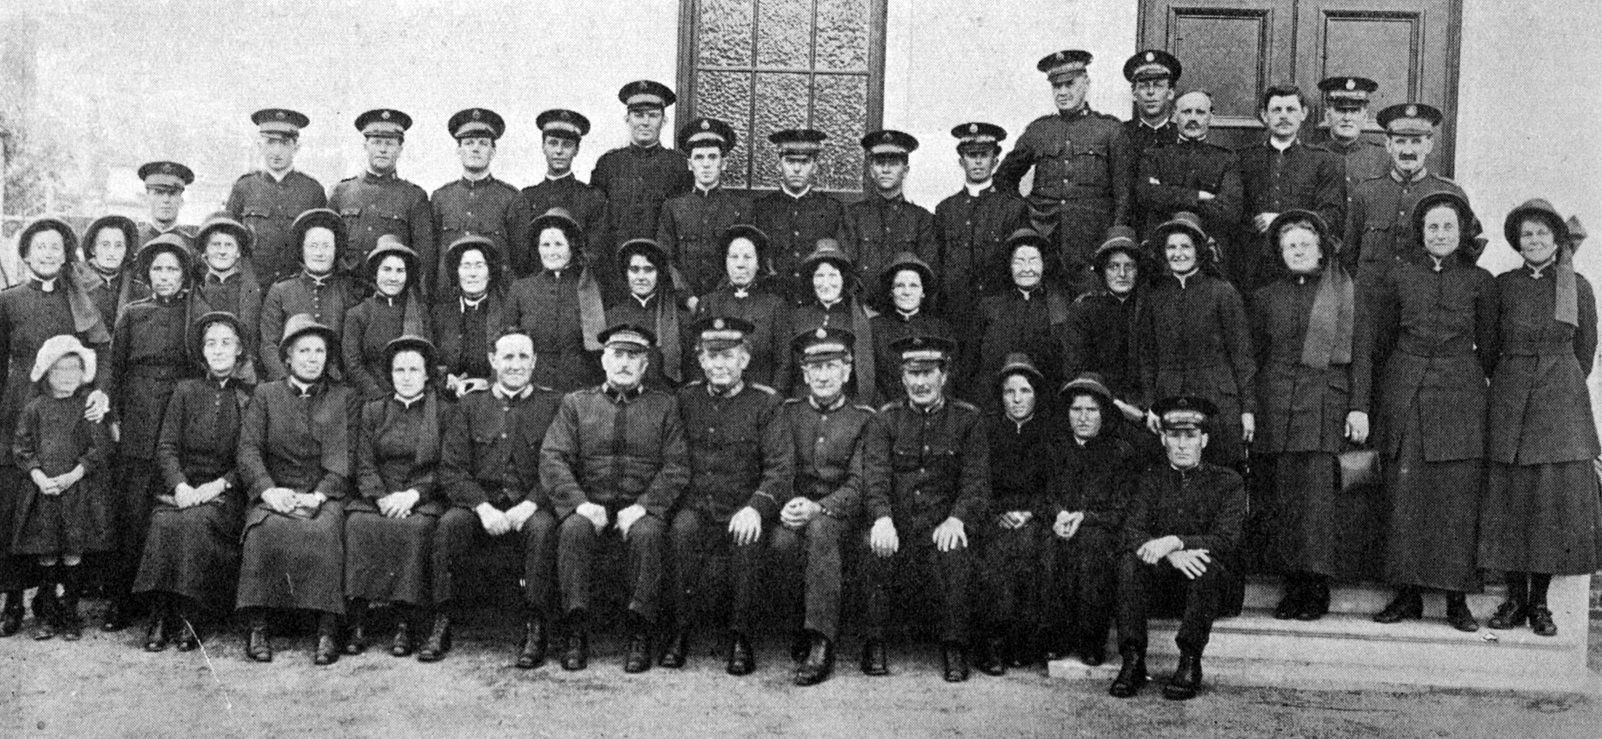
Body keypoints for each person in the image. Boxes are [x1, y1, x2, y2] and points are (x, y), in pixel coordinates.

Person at [1363, 191, 1496, 632]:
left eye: (1449, 227)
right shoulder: (1398, 278)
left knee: (1456, 500)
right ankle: (1408, 595)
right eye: (1433, 227)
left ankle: (1457, 598)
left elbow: (1492, 347)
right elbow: (1379, 345)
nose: (1441, 234)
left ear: (1462, 233)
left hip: (1460, 399)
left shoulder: (1480, 282)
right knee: (1406, 498)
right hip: (1407, 395)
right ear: (1421, 234)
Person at [1480, 200, 1601, 638]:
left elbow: (1585, 350)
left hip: (1559, 402)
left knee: (1548, 504)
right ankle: (1514, 599)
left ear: (1556, 240)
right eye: (1526, 234)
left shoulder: (1578, 287)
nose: (1534, 241)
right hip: (1511, 396)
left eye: (1542, 234)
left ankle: (1540, 603)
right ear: (1518, 242)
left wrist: (1556, 383)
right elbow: (1489, 348)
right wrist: (1516, 381)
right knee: (1513, 500)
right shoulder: (1503, 286)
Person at [540, 324, 689, 673]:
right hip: (590, 503)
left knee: (648, 534)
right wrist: (580, 503)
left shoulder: (664, 406)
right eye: (617, 355)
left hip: (641, 505)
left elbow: (677, 465)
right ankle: (576, 629)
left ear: (645, 365)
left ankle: (640, 631)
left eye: (633, 357)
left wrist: (644, 506)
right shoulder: (576, 404)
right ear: (604, 360)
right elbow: (553, 457)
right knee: (573, 530)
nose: (624, 363)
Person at [1250, 210, 1371, 620]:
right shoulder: (1265, 297)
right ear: (1280, 253)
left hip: (1325, 401)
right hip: (1278, 403)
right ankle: (1291, 584)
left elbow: (1362, 356)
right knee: (1285, 497)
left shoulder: (1344, 291)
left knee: (1318, 499)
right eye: (1290, 246)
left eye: (1305, 243)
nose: (1297, 251)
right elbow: (1256, 357)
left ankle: (1316, 586)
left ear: (1320, 249)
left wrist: (1359, 406)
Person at [662, 316, 791, 674]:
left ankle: (741, 636)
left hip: (742, 505)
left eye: (728, 356)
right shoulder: (686, 398)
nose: (719, 365)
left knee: (747, 537)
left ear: (745, 360)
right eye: (711, 357)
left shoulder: (766, 403)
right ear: (701, 361)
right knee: (682, 530)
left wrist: (755, 508)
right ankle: (680, 631)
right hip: (698, 505)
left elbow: (780, 469)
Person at [0, 218, 111, 636]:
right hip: (16, 409)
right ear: (26, 253)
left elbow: (102, 349)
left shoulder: (78, 300)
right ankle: (13, 601)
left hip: (66, 412)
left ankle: (57, 602)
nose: (48, 254)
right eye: (40, 247)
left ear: (67, 255)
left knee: (60, 510)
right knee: (14, 505)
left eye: (55, 248)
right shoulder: (8, 301)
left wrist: (100, 392)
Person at [430, 331, 564, 666]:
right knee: (450, 524)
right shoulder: (470, 405)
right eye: (507, 357)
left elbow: (560, 465)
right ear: (492, 361)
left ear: (534, 362)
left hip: (531, 502)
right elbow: (452, 469)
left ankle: (535, 625)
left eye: (523, 357)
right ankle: (442, 621)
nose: (516, 365)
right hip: (483, 503)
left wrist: (531, 503)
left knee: (543, 529)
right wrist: (482, 507)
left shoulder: (554, 405)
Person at [860, 335, 989, 682]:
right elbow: (875, 476)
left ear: (944, 376)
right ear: (902, 378)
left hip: (941, 524)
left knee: (955, 550)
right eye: (912, 374)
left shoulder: (968, 420)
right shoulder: (885, 420)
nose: (920, 382)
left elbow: (975, 481)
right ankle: (875, 642)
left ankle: (954, 646)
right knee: (873, 545)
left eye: (928, 373)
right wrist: (882, 518)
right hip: (898, 523)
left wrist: (957, 519)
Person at [235, 314, 361, 665]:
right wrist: (268, 491)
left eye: (319, 350)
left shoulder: (344, 397)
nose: (312, 357)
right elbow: (248, 449)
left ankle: (327, 628)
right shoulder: (266, 394)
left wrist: (319, 494)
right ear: (287, 357)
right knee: (263, 531)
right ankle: (258, 625)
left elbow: (347, 454)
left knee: (324, 532)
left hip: (325, 492)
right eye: (303, 350)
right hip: (277, 489)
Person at [1109, 395, 1247, 701]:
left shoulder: (1228, 483)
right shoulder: (1150, 480)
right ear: (1163, 439)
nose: (1182, 444)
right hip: (1164, 586)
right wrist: (1171, 554)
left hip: (1208, 591)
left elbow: (1227, 541)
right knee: (1130, 562)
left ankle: (1189, 660)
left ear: (1205, 439)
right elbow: (1131, 531)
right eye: (1174, 436)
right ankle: (1132, 660)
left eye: (1191, 436)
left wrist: (1176, 540)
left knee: (1206, 565)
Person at [103, 236, 205, 631]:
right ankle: (122, 600)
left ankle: (171, 601)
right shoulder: (132, 313)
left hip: (179, 414)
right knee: (132, 511)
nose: (164, 277)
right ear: (148, 273)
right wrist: (114, 414)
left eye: (172, 269)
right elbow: (115, 367)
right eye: (158, 269)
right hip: (140, 416)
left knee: (174, 508)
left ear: (184, 275)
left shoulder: (195, 314)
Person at [132, 312, 251, 652]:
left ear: (239, 350)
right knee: (163, 520)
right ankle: (159, 613)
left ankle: (189, 613)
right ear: (201, 351)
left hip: (226, 493)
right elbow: (167, 447)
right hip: (184, 490)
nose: (218, 350)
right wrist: (181, 486)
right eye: (210, 343)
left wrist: (219, 486)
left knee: (198, 522)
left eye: (226, 343)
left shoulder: (251, 396)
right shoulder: (185, 391)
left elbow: (250, 456)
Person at [773, 327, 875, 686]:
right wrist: (788, 505)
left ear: (847, 371)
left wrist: (820, 508)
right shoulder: (787, 413)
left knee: (820, 531)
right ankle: (798, 627)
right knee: (781, 543)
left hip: (840, 513)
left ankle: (822, 642)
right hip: (795, 508)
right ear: (804, 374)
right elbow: (779, 467)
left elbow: (860, 483)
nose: (823, 375)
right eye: (814, 367)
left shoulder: (864, 418)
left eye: (831, 366)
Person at [343, 336, 449, 659]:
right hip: (379, 496)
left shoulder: (443, 412)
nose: (406, 376)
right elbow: (363, 461)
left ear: (427, 374)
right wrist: (381, 497)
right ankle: (358, 619)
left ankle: (405, 621)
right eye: (399, 369)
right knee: (358, 524)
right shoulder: (374, 410)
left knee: (415, 529)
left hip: (423, 495)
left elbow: (448, 465)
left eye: (414, 370)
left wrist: (414, 495)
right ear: (389, 374)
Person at [995, 50, 1132, 297]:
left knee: (1091, 308)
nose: (1062, 92)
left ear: (1086, 84)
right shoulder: (1039, 130)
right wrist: (1025, 213)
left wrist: (1114, 240)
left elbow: (1124, 193)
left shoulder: (1110, 130)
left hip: (1093, 240)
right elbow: (1004, 177)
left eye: (1070, 84)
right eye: (1056, 86)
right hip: (1046, 239)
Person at [11, 335, 114, 641]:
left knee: (72, 552)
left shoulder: (87, 407)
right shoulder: (35, 408)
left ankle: (70, 613)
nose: (68, 376)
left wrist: (75, 474)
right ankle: (47, 614)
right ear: (46, 373)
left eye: (74, 369)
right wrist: (39, 476)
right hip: (44, 494)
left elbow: (99, 448)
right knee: (46, 553)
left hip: (76, 493)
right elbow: (22, 446)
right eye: (60, 370)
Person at [1136, 212, 1256, 467]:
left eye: (1185, 246)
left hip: (1218, 399)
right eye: (1171, 247)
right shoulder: (1154, 296)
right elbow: (1147, 356)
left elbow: (1242, 356)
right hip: (1170, 397)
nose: (1178, 253)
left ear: (1198, 250)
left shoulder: (1222, 292)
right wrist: (1150, 406)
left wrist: (1247, 410)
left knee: (1220, 471)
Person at [975, 353, 1058, 675]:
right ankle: (994, 642)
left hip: (1037, 515)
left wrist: (1033, 512)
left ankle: (1027, 640)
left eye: (1024, 391)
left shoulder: (1050, 431)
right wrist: (998, 512)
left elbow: (1055, 483)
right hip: (995, 514)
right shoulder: (987, 430)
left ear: (1036, 393)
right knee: (995, 557)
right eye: (1010, 392)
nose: (1017, 399)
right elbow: (978, 480)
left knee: (1039, 553)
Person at [1045, 373, 1136, 666]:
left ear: (1104, 414)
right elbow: (1046, 493)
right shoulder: (1055, 450)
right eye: (1076, 409)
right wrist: (1058, 513)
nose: (1083, 417)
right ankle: (1056, 638)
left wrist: (1084, 517)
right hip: (1061, 523)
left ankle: (1091, 640)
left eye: (1091, 410)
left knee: (1091, 551)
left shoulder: (1120, 453)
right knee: (1048, 548)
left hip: (1101, 529)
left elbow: (1120, 510)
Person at [1235, 85, 1345, 294]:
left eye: (1291, 109)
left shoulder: (1323, 161)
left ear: (1303, 114)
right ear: (1264, 115)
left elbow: (1332, 214)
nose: (1284, 116)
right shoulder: (1243, 159)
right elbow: (1234, 211)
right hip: (1253, 268)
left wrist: (1280, 220)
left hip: (1304, 265)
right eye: (1276, 110)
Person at [1342, 103, 1468, 277]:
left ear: (1429, 145)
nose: (1407, 150)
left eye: (1416, 142)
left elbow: (1465, 256)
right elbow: (1349, 255)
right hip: (1375, 298)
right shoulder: (1365, 192)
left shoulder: (1450, 193)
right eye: (1400, 141)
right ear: (1388, 145)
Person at [932, 122, 1028, 341]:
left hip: (998, 315)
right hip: (954, 315)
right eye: (970, 155)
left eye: (984, 155)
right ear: (960, 161)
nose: (977, 161)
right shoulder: (946, 209)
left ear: (995, 161)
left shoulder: (1012, 208)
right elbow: (937, 263)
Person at [1135, 90, 1241, 277]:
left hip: (1209, 255)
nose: (1193, 118)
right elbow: (1147, 195)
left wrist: (1168, 196)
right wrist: (1198, 196)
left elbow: (1230, 210)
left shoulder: (1226, 159)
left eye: (1200, 112)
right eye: (1186, 112)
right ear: (1174, 116)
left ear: (1211, 117)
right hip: (1162, 256)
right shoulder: (1155, 155)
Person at [328, 109, 436, 291]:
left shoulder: (413, 196)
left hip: (391, 296)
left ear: (400, 149)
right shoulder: (341, 192)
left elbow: (424, 259)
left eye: (390, 143)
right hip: (345, 294)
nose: (383, 149)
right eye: (376, 142)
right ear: (365, 145)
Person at [1064, 228, 1151, 452]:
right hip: (1101, 410)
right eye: (1113, 266)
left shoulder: (1152, 309)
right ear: (1102, 271)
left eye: (1129, 266)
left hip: (1148, 415)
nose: (1121, 274)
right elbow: (1078, 371)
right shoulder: (1085, 310)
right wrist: (1117, 405)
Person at [507, 208, 607, 392]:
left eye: (558, 244)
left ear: (571, 246)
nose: (551, 252)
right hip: (533, 390)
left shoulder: (590, 288)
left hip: (583, 389)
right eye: (545, 245)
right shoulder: (521, 290)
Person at [225, 108, 329, 285]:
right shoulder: (244, 187)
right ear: (260, 146)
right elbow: (228, 238)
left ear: (296, 147)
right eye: (270, 142)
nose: (277, 151)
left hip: (297, 288)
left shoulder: (312, 190)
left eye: (284, 143)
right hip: (253, 287)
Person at [431, 108, 531, 291]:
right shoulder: (441, 198)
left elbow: (521, 261)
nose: (475, 148)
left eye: (483, 143)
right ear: (458, 150)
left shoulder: (511, 198)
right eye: (468, 143)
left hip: (497, 300)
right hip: (449, 300)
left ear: (493, 152)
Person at [969, 229, 1069, 410]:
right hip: (994, 405)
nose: (1027, 269)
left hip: (1046, 406)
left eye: (1033, 261)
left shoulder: (1059, 307)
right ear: (1009, 266)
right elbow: (973, 364)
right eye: (1019, 262)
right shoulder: (989, 307)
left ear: (1044, 264)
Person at [592, 81, 693, 259]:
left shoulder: (678, 165)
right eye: (638, 115)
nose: (645, 122)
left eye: (653, 116)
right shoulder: (608, 164)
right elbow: (597, 222)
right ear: (627, 119)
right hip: (616, 263)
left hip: (660, 262)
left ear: (664, 120)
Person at [655, 117, 751, 302]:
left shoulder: (740, 208)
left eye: (712, 157)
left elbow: (744, 259)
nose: (706, 164)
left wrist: (716, 299)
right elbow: (665, 259)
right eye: (699, 157)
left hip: (726, 302)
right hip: (682, 305)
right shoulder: (673, 207)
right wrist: (687, 297)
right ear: (690, 164)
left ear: (723, 163)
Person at [259, 209, 360, 381]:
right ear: (302, 249)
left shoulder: (349, 291)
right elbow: (269, 345)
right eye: (313, 246)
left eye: (326, 246)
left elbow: (353, 348)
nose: (319, 253)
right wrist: (287, 382)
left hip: (336, 385)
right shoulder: (281, 290)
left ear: (336, 250)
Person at [842, 130, 938, 311]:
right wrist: (861, 309)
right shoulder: (853, 216)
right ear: (871, 170)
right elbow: (846, 271)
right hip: (863, 314)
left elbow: (928, 275)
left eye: (893, 163)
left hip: (906, 318)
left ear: (905, 171)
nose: (885, 170)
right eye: (879, 163)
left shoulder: (922, 219)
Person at [693, 225, 790, 389]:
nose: (740, 264)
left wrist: (774, 400)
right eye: (734, 257)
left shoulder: (774, 305)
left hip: (760, 399)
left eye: (747, 257)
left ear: (758, 263)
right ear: (725, 261)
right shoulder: (709, 303)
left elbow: (784, 362)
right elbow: (697, 358)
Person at [519, 109, 610, 284]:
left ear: (576, 150)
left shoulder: (592, 198)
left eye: (567, 145)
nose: (559, 151)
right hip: (536, 290)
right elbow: (523, 255)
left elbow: (595, 253)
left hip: (577, 289)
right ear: (543, 147)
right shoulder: (527, 197)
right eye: (553, 143)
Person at [754, 129, 846, 300]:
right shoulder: (762, 208)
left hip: (815, 302)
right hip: (773, 301)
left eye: (804, 162)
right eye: (790, 161)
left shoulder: (832, 209)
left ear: (815, 167)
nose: (797, 168)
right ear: (778, 164)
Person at [785, 240, 877, 405]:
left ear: (843, 280)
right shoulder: (797, 318)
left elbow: (864, 375)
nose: (826, 284)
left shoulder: (857, 318)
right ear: (812, 281)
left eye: (833, 275)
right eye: (819, 276)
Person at [342, 236, 429, 401]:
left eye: (400, 271)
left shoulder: (418, 312)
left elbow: (428, 358)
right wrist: (380, 397)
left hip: (415, 398)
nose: (393, 278)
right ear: (375, 272)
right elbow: (353, 364)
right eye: (386, 270)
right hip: (372, 401)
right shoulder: (358, 314)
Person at [605, 238, 693, 389]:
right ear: (626, 273)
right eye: (634, 269)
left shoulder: (679, 319)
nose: (641, 277)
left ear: (659, 273)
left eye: (649, 269)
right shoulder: (611, 318)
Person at [431, 236, 509, 399]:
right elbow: (430, 361)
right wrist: (446, 379)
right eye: (466, 266)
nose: (472, 274)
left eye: (479, 266)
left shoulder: (506, 311)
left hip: (495, 398)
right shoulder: (441, 313)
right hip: (450, 399)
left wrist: (489, 382)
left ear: (490, 272)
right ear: (457, 272)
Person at [870, 252, 954, 402]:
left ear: (923, 292)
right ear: (891, 291)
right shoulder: (874, 328)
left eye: (914, 285)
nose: (906, 292)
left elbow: (949, 380)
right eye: (900, 285)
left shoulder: (940, 329)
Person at [193, 214, 264, 382]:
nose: (222, 251)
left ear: (238, 252)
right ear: (205, 252)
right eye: (215, 245)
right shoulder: (196, 291)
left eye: (229, 245)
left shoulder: (251, 291)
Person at [1307, 77, 1388, 208]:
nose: (1347, 118)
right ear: (1328, 116)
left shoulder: (1382, 158)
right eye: (1340, 110)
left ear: (1365, 117)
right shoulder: (1311, 156)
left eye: (1355, 111)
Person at [73, 215, 145, 330]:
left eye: (118, 245)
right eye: (105, 245)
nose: (112, 252)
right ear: (92, 249)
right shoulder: (77, 282)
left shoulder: (137, 285)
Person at [1121, 49, 1183, 160]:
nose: (1150, 92)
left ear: (1170, 93)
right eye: (1144, 86)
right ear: (1134, 94)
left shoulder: (1181, 134)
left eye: (1158, 85)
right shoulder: (1120, 134)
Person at [135, 161, 198, 250]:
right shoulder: (133, 241)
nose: (166, 200)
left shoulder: (191, 245)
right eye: (158, 193)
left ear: (181, 201)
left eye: (172, 193)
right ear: (147, 199)